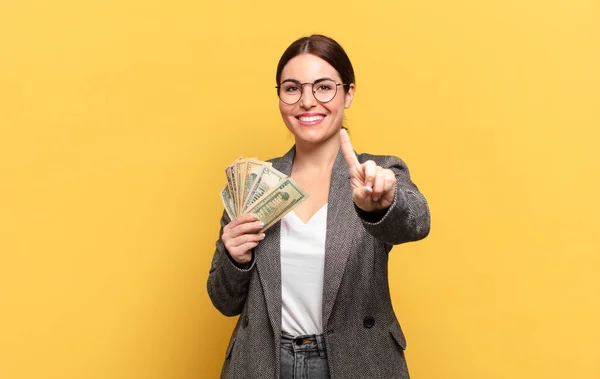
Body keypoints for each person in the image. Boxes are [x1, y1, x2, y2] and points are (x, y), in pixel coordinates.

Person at [207, 34, 431, 379]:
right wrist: (235, 259)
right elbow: (224, 301)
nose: (307, 101)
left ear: (349, 93)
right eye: (292, 88)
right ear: (280, 96)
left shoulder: (377, 173)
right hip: (265, 363)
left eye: (324, 87)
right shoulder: (254, 182)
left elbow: (416, 223)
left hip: (355, 360)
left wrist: (381, 205)